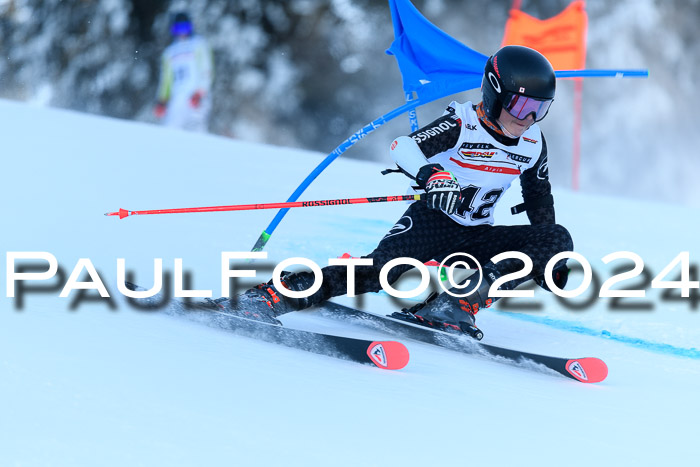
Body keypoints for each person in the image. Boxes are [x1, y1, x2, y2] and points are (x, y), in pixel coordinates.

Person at [229, 45, 572, 337]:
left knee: (557, 238)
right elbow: (403, 146)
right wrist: (433, 175)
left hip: (479, 235)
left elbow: (538, 196)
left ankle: (453, 303)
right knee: (378, 273)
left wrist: (547, 259)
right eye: (521, 106)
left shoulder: (531, 142)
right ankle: (274, 296)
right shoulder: (462, 125)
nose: (527, 119)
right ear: (494, 92)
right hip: (433, 221)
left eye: (539, 110)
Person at [154, 12, 213, 132]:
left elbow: (206, 70)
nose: (182, 32)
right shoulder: (169, 52)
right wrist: (162, 100)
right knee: (170, 132)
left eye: (185, 28)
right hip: (177, 99)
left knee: (197, 132)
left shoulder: (199, 44)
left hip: (195, 98)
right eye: (178, 29)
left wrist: (200, 92)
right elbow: (166, 80)